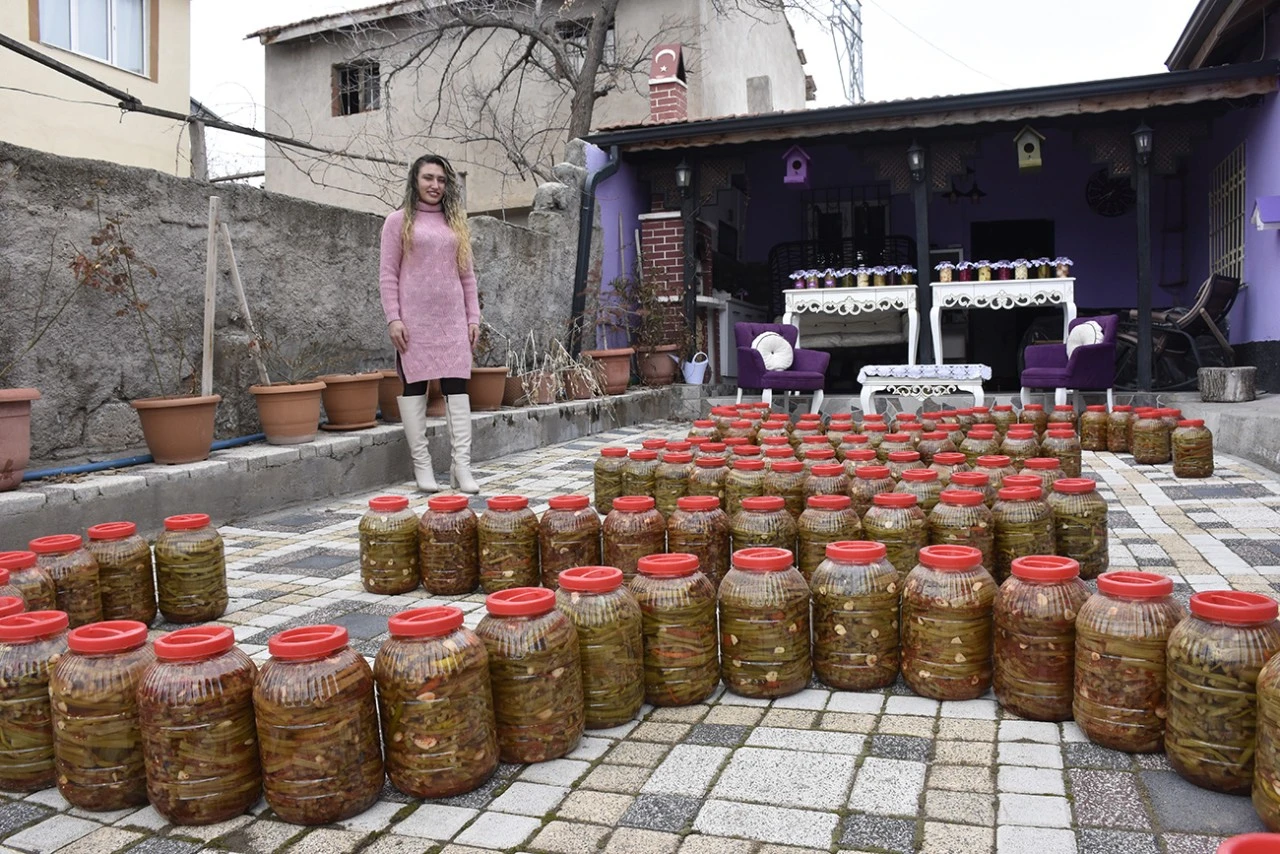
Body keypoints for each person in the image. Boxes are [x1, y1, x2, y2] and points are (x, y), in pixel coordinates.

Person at [379, 154, 480, 493]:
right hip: (414, 323)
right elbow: (388, 275)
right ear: (415, 181)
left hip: (452, 321)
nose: (435, 185)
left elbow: (467, 276)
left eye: (440, 179)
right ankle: (422, 467)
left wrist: (473, 317)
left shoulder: (456, 224)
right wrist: (394, 318)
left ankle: (461, 467)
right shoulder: (397, 221)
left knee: (457, 388)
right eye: (428, 178)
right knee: (414, 388)